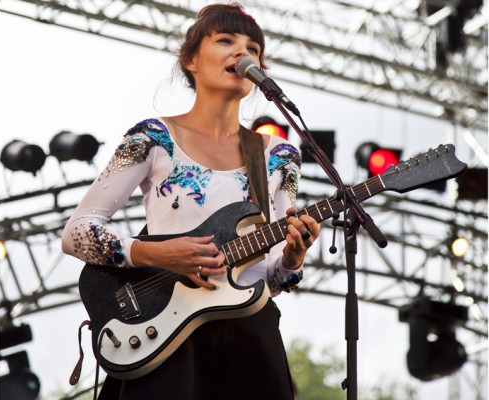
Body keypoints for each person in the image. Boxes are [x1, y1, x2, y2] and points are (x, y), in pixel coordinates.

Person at [61, 3, 321, 399]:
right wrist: (155, 254)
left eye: (253, 47)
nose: (242, 52)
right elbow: (78, 233)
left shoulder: (279, 156)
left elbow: (272, 276)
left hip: (250, 340)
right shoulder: (152, 138)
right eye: (225, 40)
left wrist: (292, 258)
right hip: (166, 331)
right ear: (191, 59)